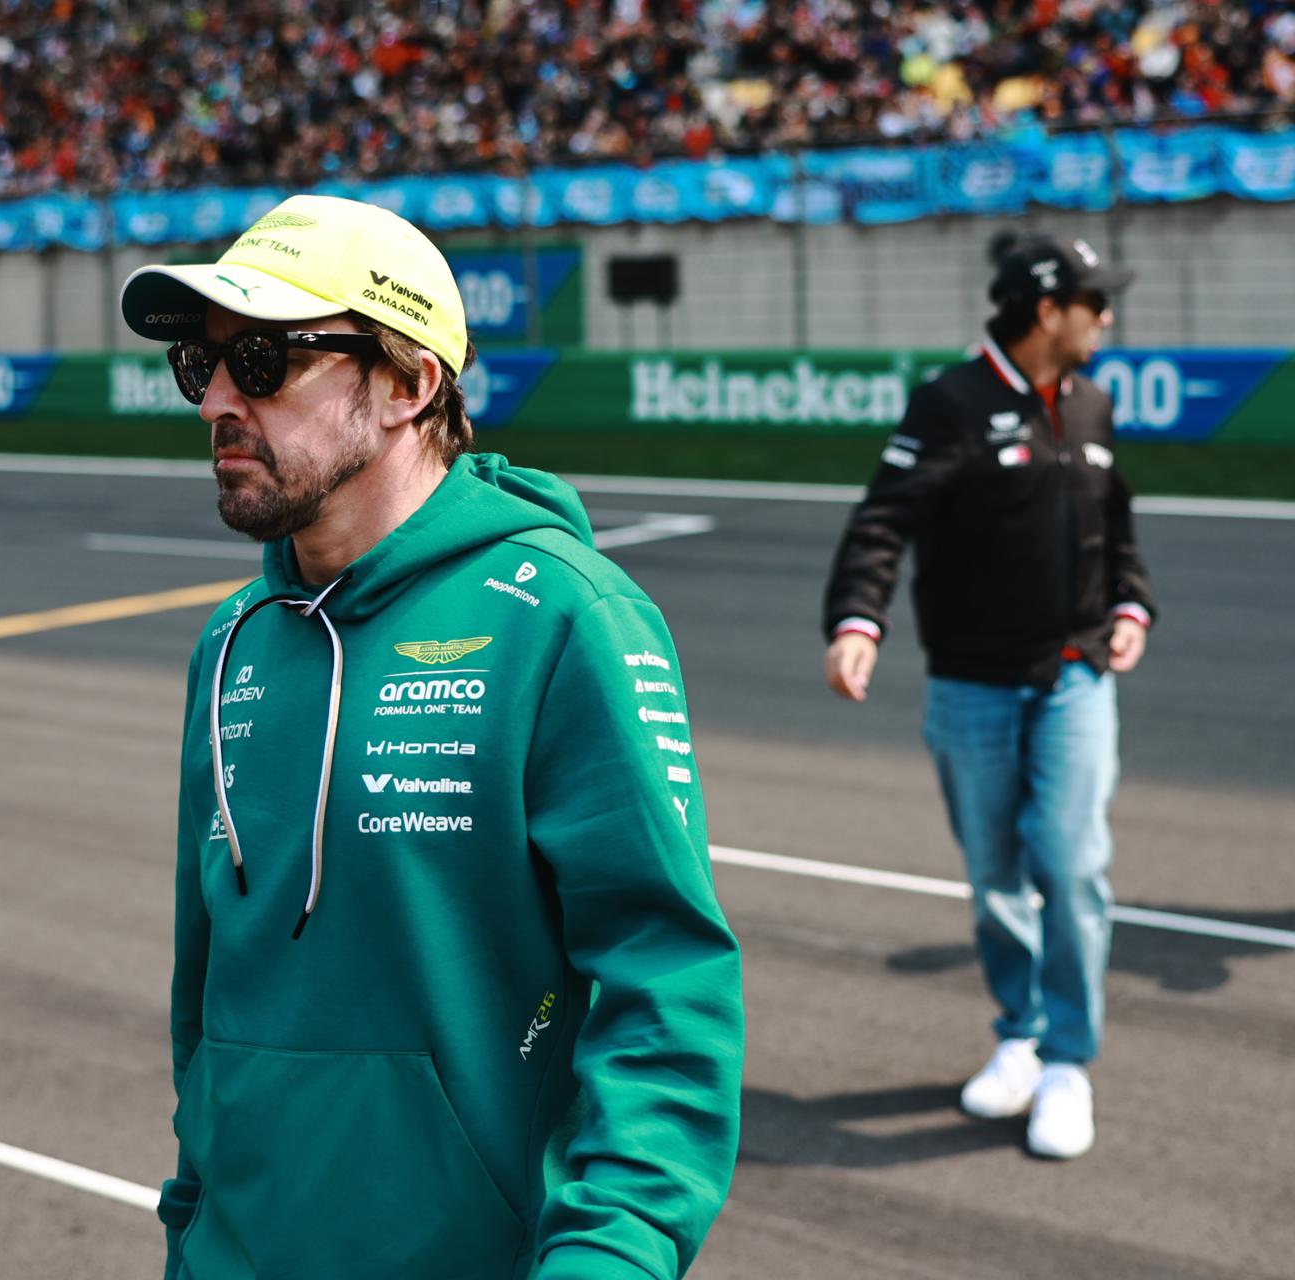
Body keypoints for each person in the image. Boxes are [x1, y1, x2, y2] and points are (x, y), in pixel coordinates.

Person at [119, 194, 744, 1279]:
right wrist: (189, 1222)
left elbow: (667, 990)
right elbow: (207, 994)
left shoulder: (563, 618)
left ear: (409, 384)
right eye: (200, 363)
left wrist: (613, 1256)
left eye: (262, 359)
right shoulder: (232, 640)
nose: (216, 397)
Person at [820, 232, 1156, 1160]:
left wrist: (1132, 601)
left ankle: (1068, 1062)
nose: (1107, 318)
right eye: (1095, 302)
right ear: (1048, 310)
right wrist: (857, 620)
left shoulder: (1092, 402)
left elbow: (1116, 521)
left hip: (1077, 676)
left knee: (1072, 866)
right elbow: (882, 522)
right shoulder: (951, 403)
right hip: (971, 684)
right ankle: (1020, 1036)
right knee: (998, 876)